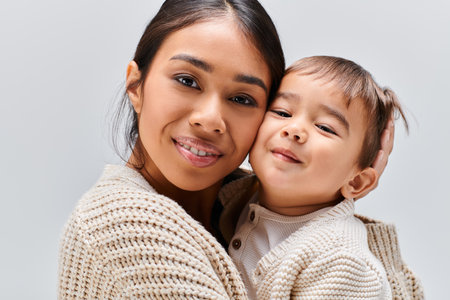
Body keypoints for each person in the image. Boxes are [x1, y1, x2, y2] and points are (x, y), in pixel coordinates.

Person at [57, 1, 403, 299]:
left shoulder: (247, 208)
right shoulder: (125, 226)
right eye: (187, 80)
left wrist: (338, 205)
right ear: (136, 84)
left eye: (242, 98)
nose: (210, 120)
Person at [225, 56, 424, 299]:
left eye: (325, 128)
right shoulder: (230, 197)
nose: (294, 129)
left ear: (356, 182)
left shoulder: (343, 262)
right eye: (282, 112)